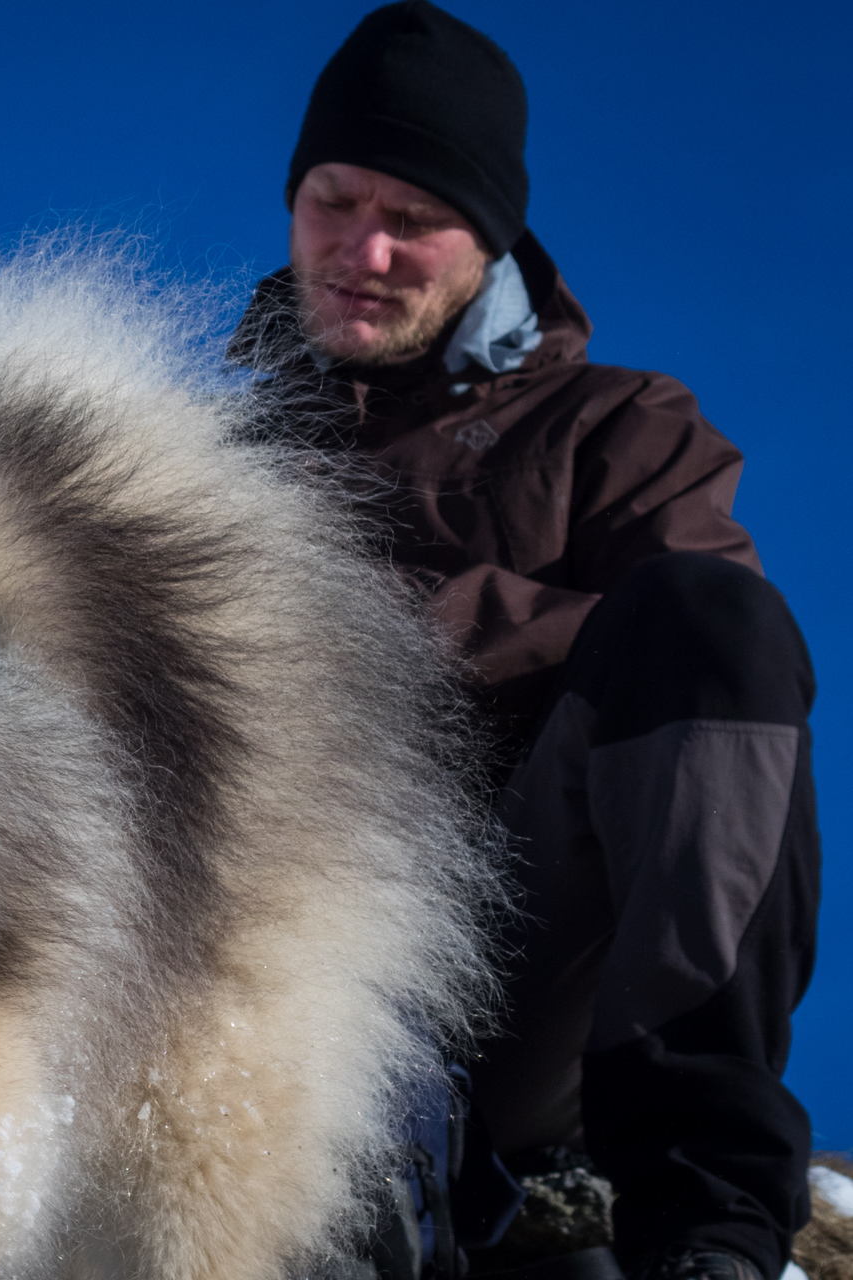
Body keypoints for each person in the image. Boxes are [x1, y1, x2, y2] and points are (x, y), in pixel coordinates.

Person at [228, 7, 822, 1280]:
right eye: (334, 199)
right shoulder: (195, 454)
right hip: (239, 939)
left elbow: (703, 681)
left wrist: (357, 624)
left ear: (490, 240)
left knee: (706, 629)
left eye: (415, 218)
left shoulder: (624, 434)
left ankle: (703, 1226)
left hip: (515, 968)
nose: (364, 248)